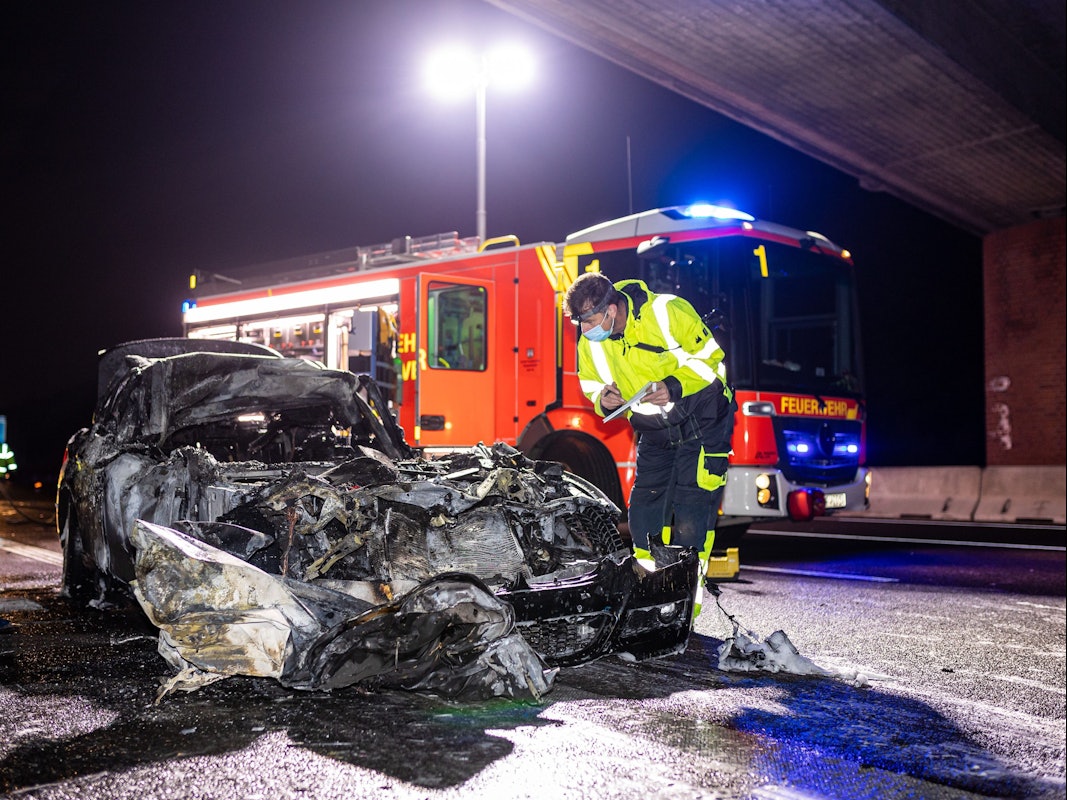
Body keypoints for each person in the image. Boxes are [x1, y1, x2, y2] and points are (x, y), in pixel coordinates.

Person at [563, 271, 736, 611]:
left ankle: (686, 605)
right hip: (655, 431)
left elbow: (710, 360)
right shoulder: (590, 342)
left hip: (702, 422)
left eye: (591, 321)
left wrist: (673, 385)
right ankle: (650, 598)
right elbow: (590, 381)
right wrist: (603, 398)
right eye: (580, 324)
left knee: (690, 515)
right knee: (643, 514)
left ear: (612, 309)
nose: (586, 331)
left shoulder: (667, 311)